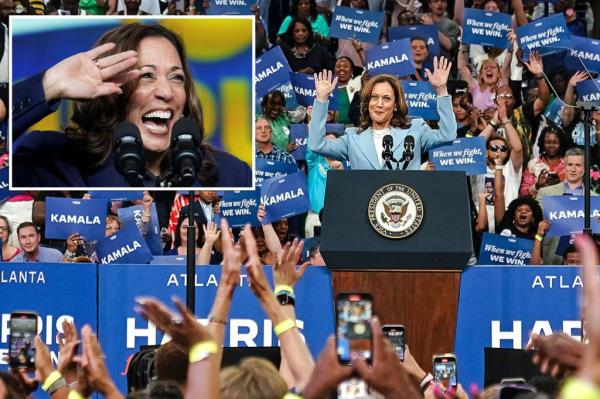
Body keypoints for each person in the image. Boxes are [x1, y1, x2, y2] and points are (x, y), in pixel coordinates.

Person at [12, 23, 252, 188]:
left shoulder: (232, 174)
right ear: (108, 91)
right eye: (146, 75)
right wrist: (47, 87)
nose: (166, 92)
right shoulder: (52, 163)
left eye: (176, 77)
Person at [308, 57, 456, 170]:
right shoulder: (352, 137)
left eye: (386, 98)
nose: (379, 104)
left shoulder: (416, 129)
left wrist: (442, 90)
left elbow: (447, 135)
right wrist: (321, 99)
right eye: (374, 97)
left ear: (396, 105)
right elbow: (317, 145)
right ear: (367, 103)